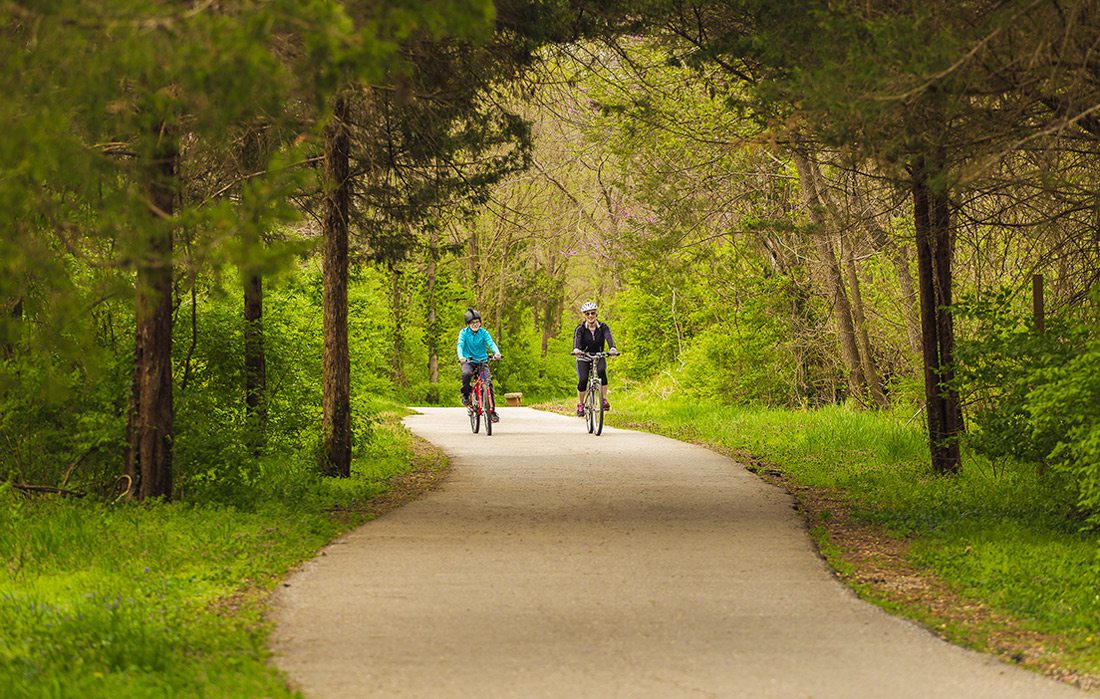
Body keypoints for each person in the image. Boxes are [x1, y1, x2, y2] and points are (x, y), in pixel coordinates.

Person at [571, 301, 619, 417]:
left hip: (599, 355)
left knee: (602, 371)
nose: (590, 316)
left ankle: (604, 399)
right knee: (583, 380)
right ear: (584, 315)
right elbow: (577, 341)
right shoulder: (580, 329)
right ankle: (581, 404)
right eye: (587, 314)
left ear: (596, 314)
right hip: (583, 356)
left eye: (592, 313)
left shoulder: (603, 327)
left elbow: (608, 337)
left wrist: (612, 348)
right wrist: (577, 349)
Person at [457, 307, 502, 422]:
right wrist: (461, 357)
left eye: (477, 322)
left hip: (482, 361)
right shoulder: (463, 333)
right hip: (469, 361)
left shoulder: (484, 333)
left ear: (480, 322)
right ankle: (466, 395)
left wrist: (496, 353)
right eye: (472, 323)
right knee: (466, 374)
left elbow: (491, 343)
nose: (475, 324)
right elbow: (460, 345)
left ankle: (492, 412)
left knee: (488, 384)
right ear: (468, 324)